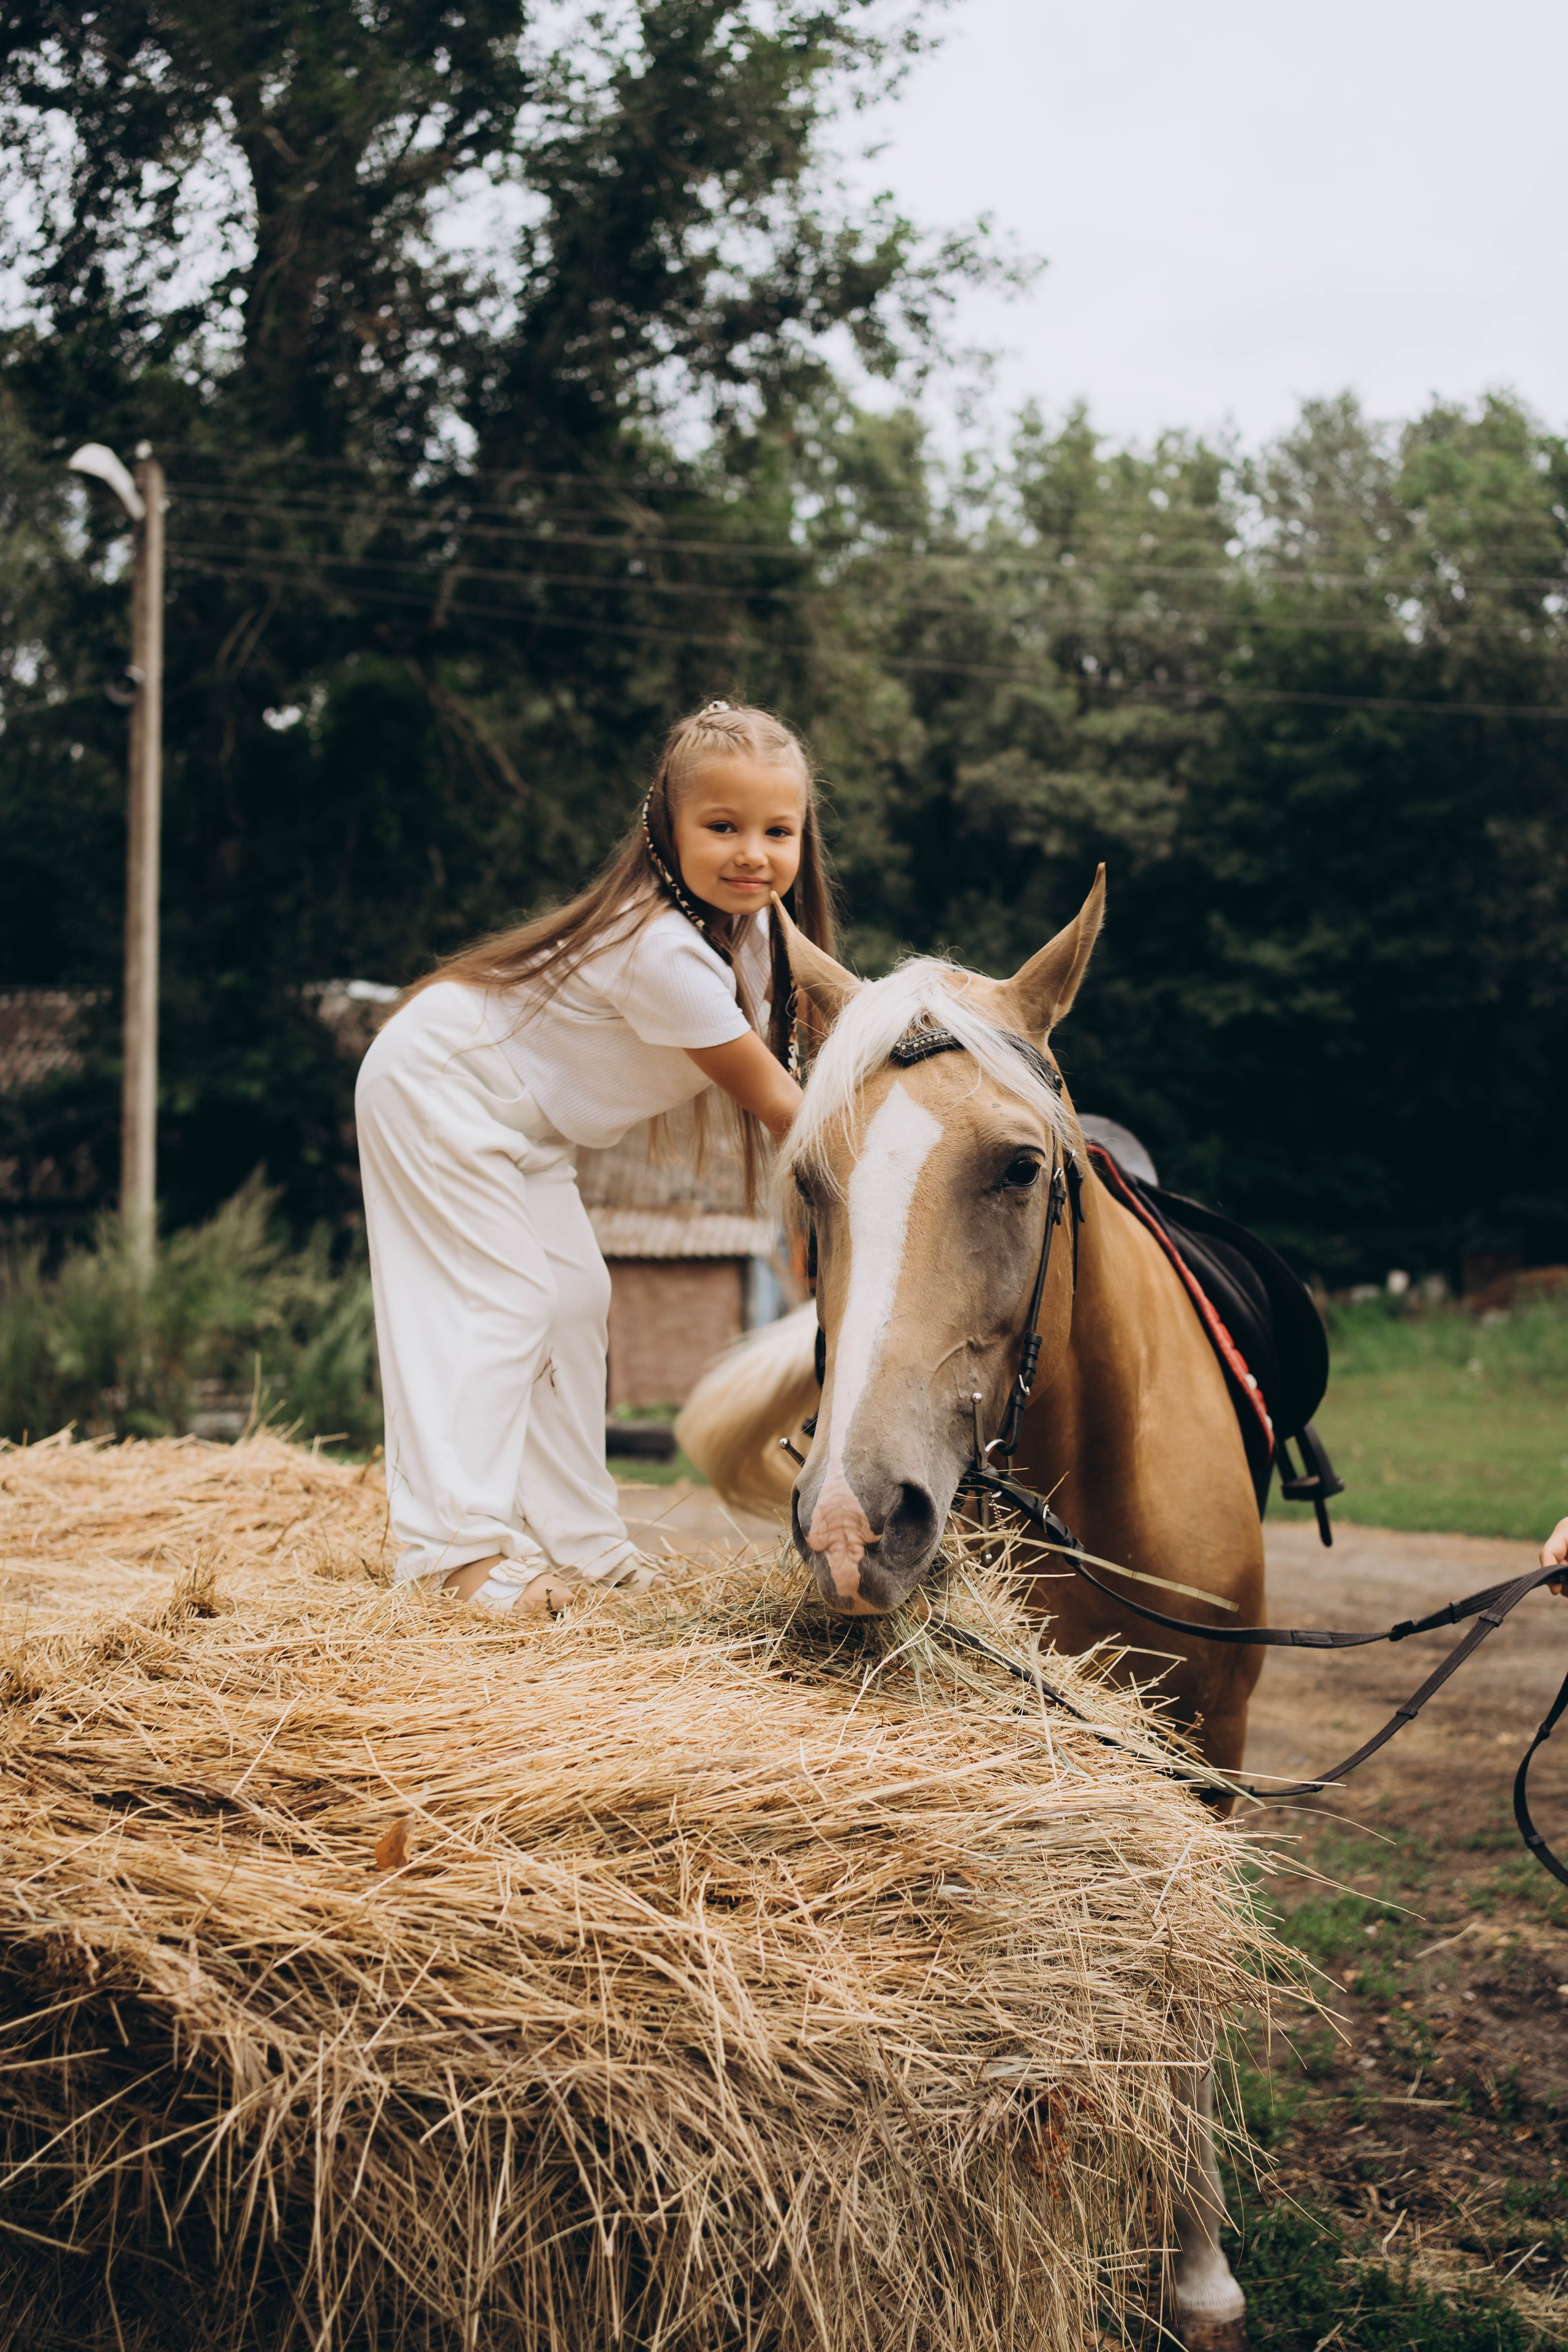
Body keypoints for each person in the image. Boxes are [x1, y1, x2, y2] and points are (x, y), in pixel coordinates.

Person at [355, 700, 835, 1613]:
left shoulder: (759, 934)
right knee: (507, 1301)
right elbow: (786, 1108)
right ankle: (452, 1556)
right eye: (722, 827)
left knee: (576, 1301)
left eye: (779, 831)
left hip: (528, 1126)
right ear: (668, 828)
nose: (753, 854)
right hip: (442, 1084)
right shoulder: (664, 952)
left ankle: (580, 1542)